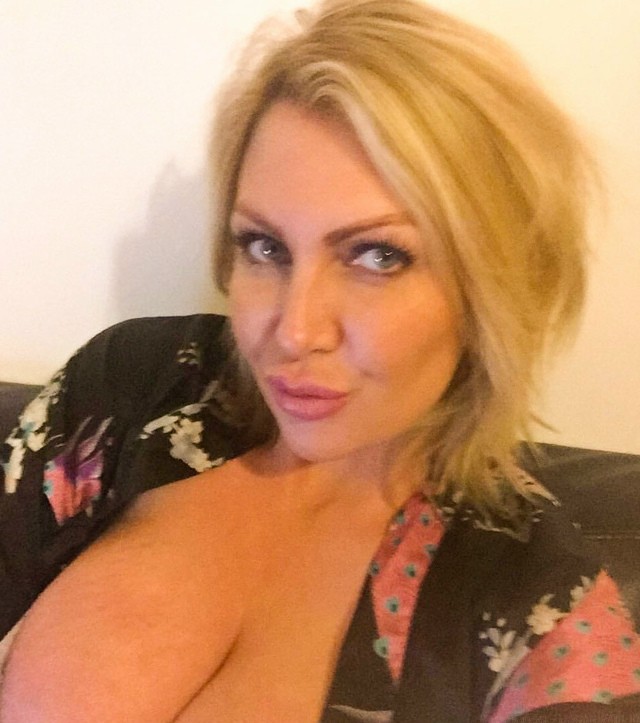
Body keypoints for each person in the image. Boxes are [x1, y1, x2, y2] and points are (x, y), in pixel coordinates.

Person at [1, 0, 639, 720]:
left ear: (494, 283)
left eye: (379, 256)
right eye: (266, 246)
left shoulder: (540, 614)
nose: (295, 331)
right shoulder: (132, 389)